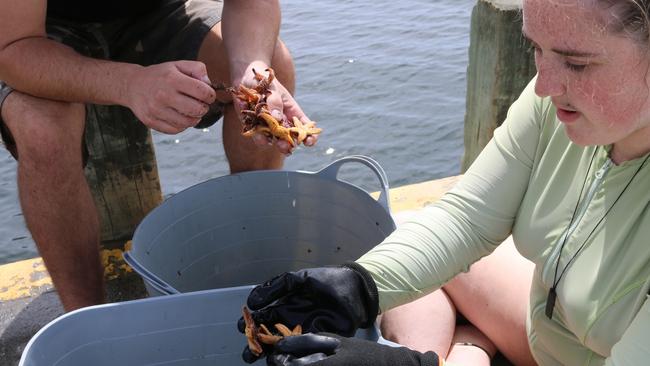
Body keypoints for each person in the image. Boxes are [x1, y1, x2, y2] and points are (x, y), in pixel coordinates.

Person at [238, 0, 650, 365]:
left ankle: (465, 352)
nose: (543, 85)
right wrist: (361, 285)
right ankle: (465, 349)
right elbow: (467, 220)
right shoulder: (557, 103)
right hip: (549, 337)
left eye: (576, 63)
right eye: (536, 48)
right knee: (405, 227)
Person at [0, 0, 317, 312]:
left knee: (270, 72)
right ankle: (86, 317)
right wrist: (129, 84)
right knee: (43, 133)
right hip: (35, 33)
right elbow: (13, 48)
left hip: (158, 11)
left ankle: (258, 283)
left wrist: (251, 68)